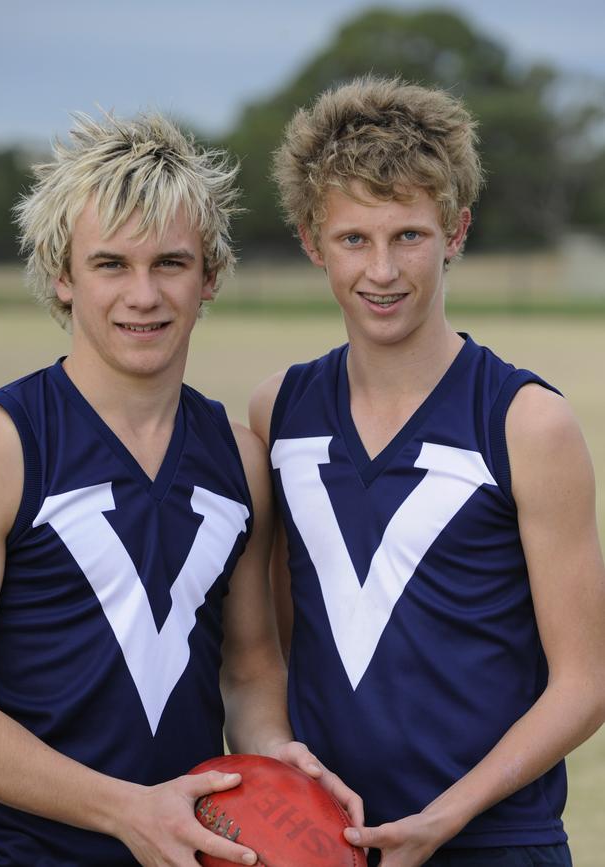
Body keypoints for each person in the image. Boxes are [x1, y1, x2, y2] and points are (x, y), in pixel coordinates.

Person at [0, 111, 361, 866]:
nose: (143, 294)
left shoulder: (238, 460)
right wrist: (125, 811)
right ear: (63, 276)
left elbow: (247, 670)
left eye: (169, 263)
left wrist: (278, 757)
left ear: (208, 276)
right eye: (111, 264)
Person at [249, 76, 605, 867]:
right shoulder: (280, 412)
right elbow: (274, 640)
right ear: (312, 241)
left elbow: (586, 681)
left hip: (497, 841)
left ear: (456, 229)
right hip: (323, 841)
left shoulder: (526, 422)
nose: (382, 270)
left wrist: (449, 814)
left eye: (408, 234)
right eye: (353, 239)